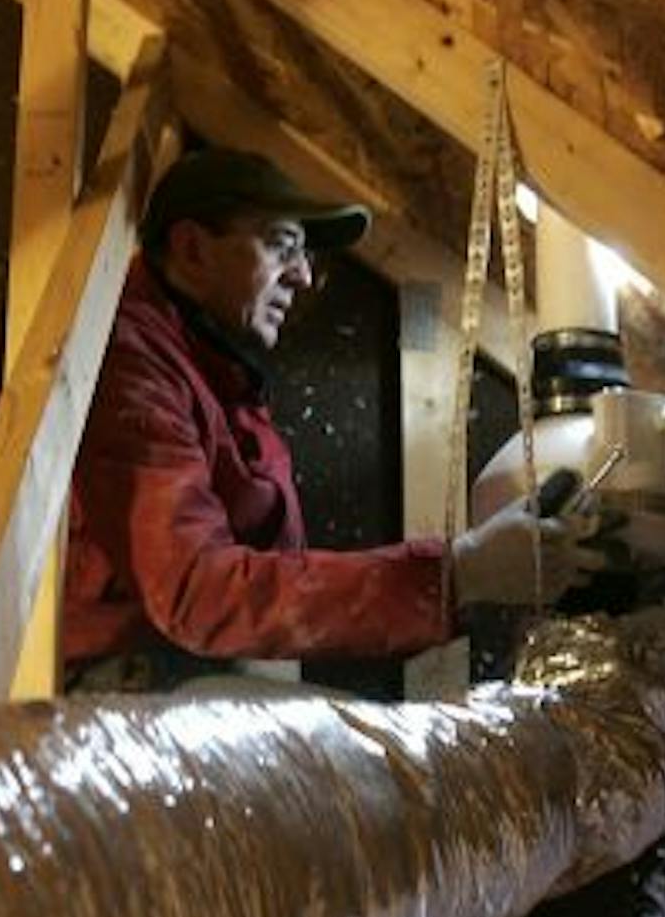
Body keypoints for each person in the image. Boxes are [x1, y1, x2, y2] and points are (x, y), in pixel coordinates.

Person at [61, 146, 604, 690]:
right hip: (129, 697)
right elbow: (198, 594)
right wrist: (457, 574)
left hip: (206, 682)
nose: (301, 275)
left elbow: (272, 580)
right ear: (193, 250)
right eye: (280, 245)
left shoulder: (219, 374)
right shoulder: (129, 368)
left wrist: (462, 574)